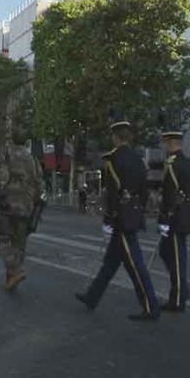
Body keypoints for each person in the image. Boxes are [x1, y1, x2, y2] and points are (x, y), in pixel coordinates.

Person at [75, 119, 160, 321]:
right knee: (109, 264)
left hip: (121, 220)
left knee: (136, 266)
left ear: (116, 137)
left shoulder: (113, 160)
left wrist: (108, 219)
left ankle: (151, 306)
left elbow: (112, 194)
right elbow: (144, 192)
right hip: (133, 215)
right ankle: (92, 296)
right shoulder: (139, 161)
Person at [0, 117, 43, 291]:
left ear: (12, 138)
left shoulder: (7, 154)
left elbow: (2, 178)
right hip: (26, 208)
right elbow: (39, 184)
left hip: (8, 205)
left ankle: (15, 270)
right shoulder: (32, 158)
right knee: (19, 245)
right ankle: (11, 279)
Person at [157, 130, 190, 313]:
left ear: (171, 142)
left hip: (175, 215)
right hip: (186, 213)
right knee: (166, 251)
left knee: (177, 258)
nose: (164, 145)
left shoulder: (172, 164)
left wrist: (164, 217)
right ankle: (182, 290)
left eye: (165, 142)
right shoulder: (188, 162)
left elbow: (169, 194)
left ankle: (178, 298)